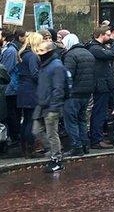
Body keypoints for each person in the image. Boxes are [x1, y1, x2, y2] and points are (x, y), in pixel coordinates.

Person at [35, 41, 67, 172]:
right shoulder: (46, 65)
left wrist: (54, 107)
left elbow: (58, 88)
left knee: (51, 133)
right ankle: (55, 151)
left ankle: (57, 159)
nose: (39, 53)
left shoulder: (56, 66)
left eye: (42, 51)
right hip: (42, 103)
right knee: (37, 130)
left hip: (51, 105)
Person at [62, 32, 95, 157]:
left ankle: (76, 145)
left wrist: (65, 92)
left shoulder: (70, 55)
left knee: (71, 121)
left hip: (73, 94)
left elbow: (68, 76)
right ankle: (85, 144)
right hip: (86, 92)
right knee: (82, 119)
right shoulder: (89, 53)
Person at [86, 26, 114, 149]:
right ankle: (96, 140)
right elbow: (112, 54)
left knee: (101, 112)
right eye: (108, 35)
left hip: (104, 84)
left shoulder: (99, 47)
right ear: (101, 35)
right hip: (100, 85)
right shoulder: (95, 48)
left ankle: (98, 137)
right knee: (99, 112)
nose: (110, 37)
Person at [15, 32, 42, 157]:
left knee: (26, 120)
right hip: (31, 90)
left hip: (23, 90)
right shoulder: (32, 56)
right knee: (30, 120)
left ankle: (24, 147)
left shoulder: (23, 54)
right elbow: (35, 74)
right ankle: (30, 149)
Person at [0, 29, 23, 148]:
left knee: (12, 113)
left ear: (3, 37)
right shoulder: (6, 50)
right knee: (11, 112)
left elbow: (5, 69)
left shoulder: (10, 51)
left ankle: (15, 136)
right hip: (9, 86)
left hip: (10, 87)